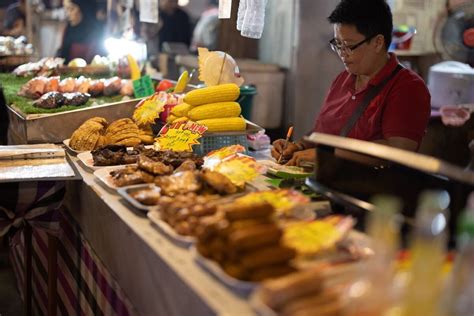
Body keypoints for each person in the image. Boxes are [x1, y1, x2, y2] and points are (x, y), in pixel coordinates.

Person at [272, 0, 431, 166]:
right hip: (326, 182)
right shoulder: (343, 79)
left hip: (369, 189)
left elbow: (397, 151)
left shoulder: (408, 88)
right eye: (338, 44)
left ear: (378, 42)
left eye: (348, 46)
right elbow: (324, 133)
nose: (342, 54)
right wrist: (299, 146)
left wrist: (329, 155)